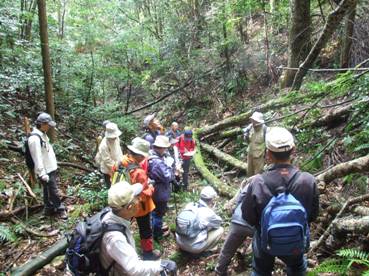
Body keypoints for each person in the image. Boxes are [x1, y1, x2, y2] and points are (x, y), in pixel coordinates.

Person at [241, 127, 320, 276]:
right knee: (297, 268)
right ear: (293, 150)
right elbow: (313, 215)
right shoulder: (308, 180)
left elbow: (247, 216)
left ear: (268, 154)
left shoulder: (258, 182)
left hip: (265, 242)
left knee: (260, 270)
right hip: (296, 240)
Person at [99, 181, 177, 275]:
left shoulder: (111, 216)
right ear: (129, 207)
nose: (139, 199)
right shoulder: (115, 238)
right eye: (136, 197)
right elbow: (134, 269)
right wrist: (162, 265)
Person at [112, 137, 160, 260]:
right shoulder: (139, 172)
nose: (144, 158)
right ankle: (148, 253)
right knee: (145, 229)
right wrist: (151, 187)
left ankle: (123, 250)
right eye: (143, 156)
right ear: (138, 155)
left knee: (123, 226)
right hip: (139, 206)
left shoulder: (120, 161)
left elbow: (112, 175)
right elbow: (144, 195)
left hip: (121, 202)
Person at [28, 112, 67, 219]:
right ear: (42, 124)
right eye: (48, 124)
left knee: (47, 190)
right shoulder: (34, 139)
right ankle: (60, 209)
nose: (49, 127)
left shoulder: (43, 134)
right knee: (53, 190)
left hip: (50, 167)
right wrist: (42, 173)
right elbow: (37, 158)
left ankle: (49, 208)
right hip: (45, 170)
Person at [215, 180, 255, 276]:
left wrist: (236, 210)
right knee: (259, 248)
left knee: (228, 248)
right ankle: (253, 267)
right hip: (255, 224)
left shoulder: (254, 180)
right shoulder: (274, 185)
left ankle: (220, 270)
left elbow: (241, 196)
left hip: (238, 220)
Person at [175, 186, 223, 254]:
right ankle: (209, 250)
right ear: (211, 199)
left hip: (179, 242)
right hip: (194, 248)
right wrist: (212, 212)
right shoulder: (209, 212)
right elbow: (218, 223)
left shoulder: (190, 205)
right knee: (220, 230)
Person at [148, 135, 174, 240]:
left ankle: (156, 227)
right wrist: (170, 166)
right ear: (162, 147)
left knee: (154, 211)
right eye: (165, 148)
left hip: (154, 189)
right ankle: (157, 234)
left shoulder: (151, 155)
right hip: (160, 191)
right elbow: (167, 177)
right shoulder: (157, 162)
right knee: (158, 213)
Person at [95, 122, 123, 188]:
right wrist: (115, 167)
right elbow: (107, 160)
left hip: (118, 165)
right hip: (108, 170)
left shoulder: (116, 138)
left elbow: (118, 150)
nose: (115, 137)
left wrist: (121, 160)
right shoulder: (104, 145)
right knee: (111, 187)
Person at [243, 112, 267, 177]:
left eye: (255, 121)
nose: (253, 122)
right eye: (252, 120)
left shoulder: (265, 130)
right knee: (249, 173)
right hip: (250, 154)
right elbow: (248, 141)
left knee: (258, 175)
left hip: (259, 156)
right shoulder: (250, 127)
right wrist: (246, 135)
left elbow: (267, 145)